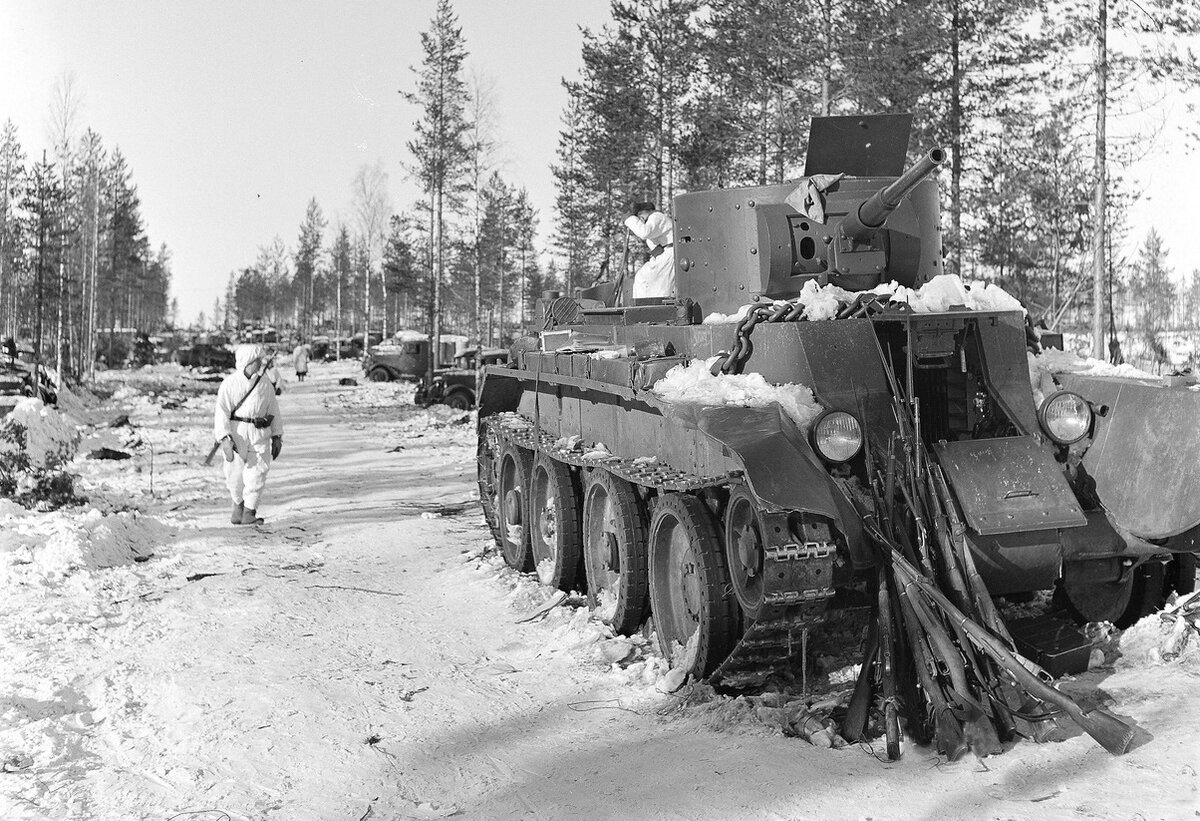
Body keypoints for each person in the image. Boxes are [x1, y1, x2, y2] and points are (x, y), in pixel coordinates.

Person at [213, 344, 283, 525]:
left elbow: (274, 409)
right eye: (256, 361)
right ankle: (238, 507)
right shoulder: (229, 384)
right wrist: (224, 437)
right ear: (246, 362)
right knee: (233, 474)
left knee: (258, 471)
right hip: (236, 433)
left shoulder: (264, 383)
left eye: (260, 360)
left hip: (259, 433)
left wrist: (277, 435)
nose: (260, 364)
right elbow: (221, 412)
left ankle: (249, 512)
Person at [623, 201, 676, 300]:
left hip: (670, 254)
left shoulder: (656, 217)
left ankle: (654, 306)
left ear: (647, 211)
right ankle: (642, 304)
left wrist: (630, 220)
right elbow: (656, 247)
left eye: (640, 215)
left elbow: (644, 232)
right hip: (664, 254)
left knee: (661, 286)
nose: (641, 219)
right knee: (641, 277)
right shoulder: (654, 221)